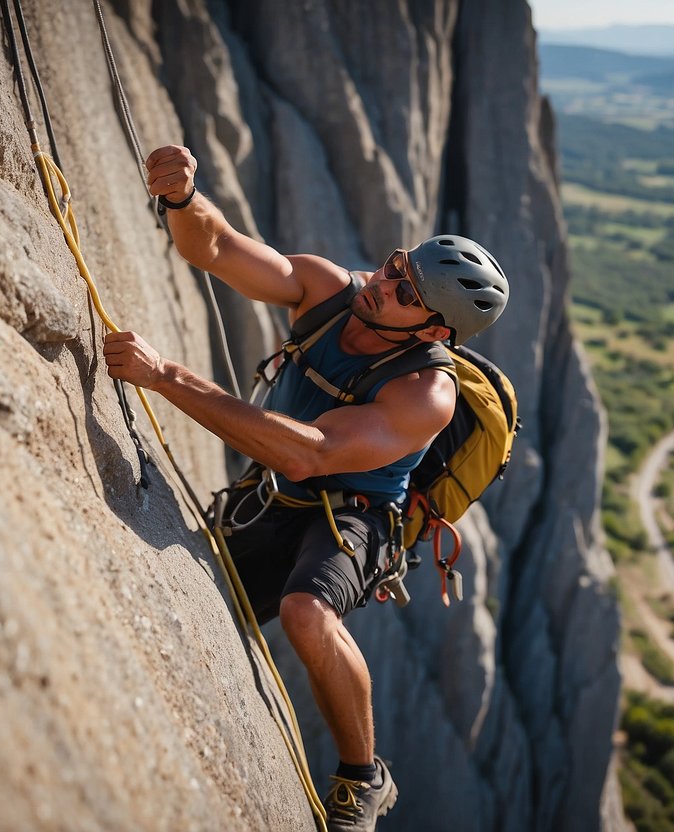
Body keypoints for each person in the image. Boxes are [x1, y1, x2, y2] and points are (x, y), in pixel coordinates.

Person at [103, 145, 508, 832]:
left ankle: (364, 778)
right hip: (274, 495)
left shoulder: (424, 394)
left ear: (436, 331)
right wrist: (181, 198)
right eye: (396, 266)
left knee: (305, 613)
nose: (384, 283)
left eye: (407, 293)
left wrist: (165, 377)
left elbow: (309, 453)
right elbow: (219, 248)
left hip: (354, 518)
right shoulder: (328, 292)